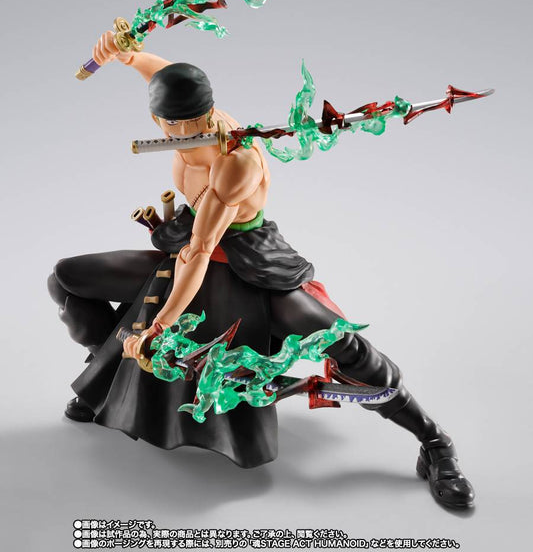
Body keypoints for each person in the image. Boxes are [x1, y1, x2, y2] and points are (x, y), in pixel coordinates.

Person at [48, 31, 475, 508]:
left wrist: (159, 328)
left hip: (247, 259)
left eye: (195, 121)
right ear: (156, 120)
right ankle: (106, 376)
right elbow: (164, 74)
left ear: (210, 111)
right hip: (188, 244)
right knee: (67, 279)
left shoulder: (235, 162)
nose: (185, 132)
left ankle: (434, 441)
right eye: (174, 124)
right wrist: (128, 56)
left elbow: (200, 251)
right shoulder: (174, 114)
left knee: (342, 343)